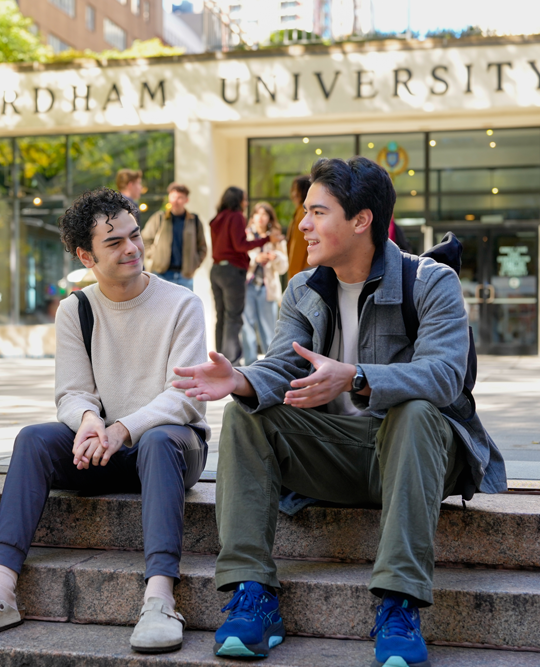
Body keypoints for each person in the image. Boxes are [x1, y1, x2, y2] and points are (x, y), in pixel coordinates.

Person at [174, 157, 506, 667]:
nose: (302, 224)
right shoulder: (305, 288)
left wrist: (356, 377)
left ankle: (398, 607)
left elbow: (444, 376)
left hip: (420, 457)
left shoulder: (430, 282)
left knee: (415, 412)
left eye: (317, 211)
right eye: (305, 211)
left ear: (361, 220)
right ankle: (253, 595)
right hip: (341, 456)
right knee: (246, 412)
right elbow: (283, 365)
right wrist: (241, 379)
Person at [0, 187, 209, 654]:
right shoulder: (76, 308)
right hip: (101, 448)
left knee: (161, 439)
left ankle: (160, 599)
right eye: (114, 242)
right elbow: (71, 392)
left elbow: (183, 398)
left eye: (134, 235)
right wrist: (87, 421)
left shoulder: (182, 304)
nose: (131, 248)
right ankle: (1, 590)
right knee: (33, 440)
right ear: (86, 255)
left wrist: (122, 428)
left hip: (169, 451)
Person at [210, 187, 283, 364]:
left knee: (221, 316)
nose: (246, 203)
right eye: (244, 199)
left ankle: (219, 359)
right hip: (232, 272)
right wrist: (267, 240)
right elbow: (240, 245)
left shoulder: (217, 218)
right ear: (237, 200)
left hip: (217, 270)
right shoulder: (236, 216)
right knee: (233, 318)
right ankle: (230, 362)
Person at [240, 202, 287, 363]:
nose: (260, 217)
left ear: (269, 218)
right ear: (252, 217)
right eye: (257, 214)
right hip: (248, 287)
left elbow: (283, 267)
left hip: (268, 289)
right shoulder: (245, 235)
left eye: (264, 214)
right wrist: (255, 259)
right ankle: (249, 365)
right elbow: (240, 260)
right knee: (247, 330)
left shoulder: (276, 237)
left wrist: (275, 257)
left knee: (269, 331)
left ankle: (270, 366)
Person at [141, 182, 208, 290]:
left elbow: (202, 246)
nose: (176, 201)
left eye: (180, 198)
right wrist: (153, 255)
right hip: (161, 273)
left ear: (186, 200)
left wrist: (194, 263)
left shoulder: (194, 221)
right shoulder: (159, 218)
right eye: (173, 197)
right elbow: (145, 239)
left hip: (185, 276)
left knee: (185, 307)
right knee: (160, 306)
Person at [284, 175, 311, 281]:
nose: (293, 194)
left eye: (296, 190)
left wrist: (293, 276)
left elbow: (298, 247)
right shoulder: (302, 211)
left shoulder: (302, 213)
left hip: (303, 270)